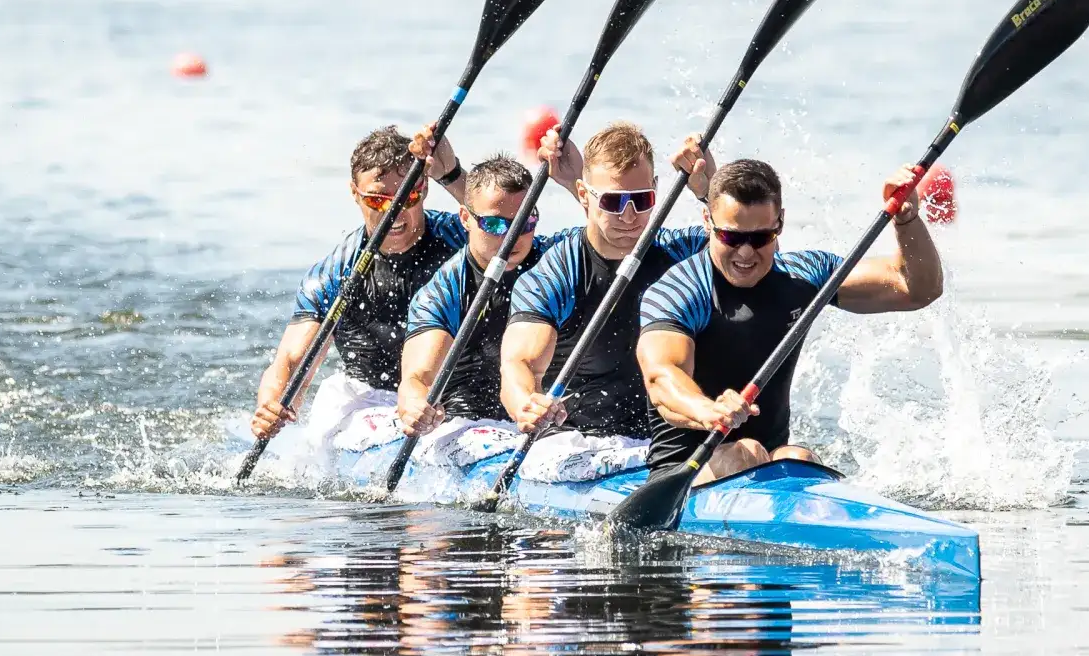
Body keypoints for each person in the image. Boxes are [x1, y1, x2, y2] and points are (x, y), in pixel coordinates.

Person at [636, 158, 944, 484]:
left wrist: (906, 219)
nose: (745, 253)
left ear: (780, 223)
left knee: (799, 459)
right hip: (685, 470)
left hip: (769, 464)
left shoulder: (803, 276)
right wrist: (708, 411)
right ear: (707, 222)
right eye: (730, 237)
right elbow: (662, 380)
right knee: (747, 453)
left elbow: (917, 289)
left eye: (760, 238)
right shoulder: (680, 290)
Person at [499, 121, 715, 482]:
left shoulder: (680, 251)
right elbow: (519, 363)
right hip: (582, 444)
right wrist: (526, 403)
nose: (629, 217)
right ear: (583, 195)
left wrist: (709, 190)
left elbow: (753, 254)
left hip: (670, 436)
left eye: (641, 200)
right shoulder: (558, 270)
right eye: (614, 202)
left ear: (656, 193)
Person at [249, 122, 470, 445]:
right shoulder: (335, 274)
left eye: (406, 197)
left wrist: (451, 173)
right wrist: (271, 404)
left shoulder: (464, 239)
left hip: (445, 399)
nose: (394, 214)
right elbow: (292, 361)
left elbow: (514, 226)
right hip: (371, 400)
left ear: (423, 189)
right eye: (378, 201)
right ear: (355, 194)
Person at [394, 153, 578, 466]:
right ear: (466, 218)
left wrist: (575, 178)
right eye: (495, 224)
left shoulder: (561, 260)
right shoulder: (444, 291)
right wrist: (414, 405)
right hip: (471, 428)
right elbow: (417, 377)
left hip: (551, 425)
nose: (512, 236)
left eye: (525, 222)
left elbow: (618, 229)